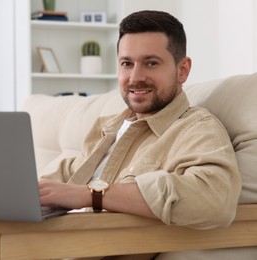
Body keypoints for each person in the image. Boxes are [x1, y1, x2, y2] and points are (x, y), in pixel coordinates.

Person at [39, 10, 241, 259]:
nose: (135, 77)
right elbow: (62, 178)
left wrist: (92, 195)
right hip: (38, 243)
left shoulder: (195, 128)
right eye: (127, 63)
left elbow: (214, 199)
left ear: (183, 70)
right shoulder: (107, 127)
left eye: (151, 63)